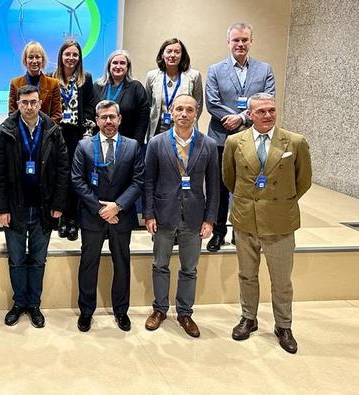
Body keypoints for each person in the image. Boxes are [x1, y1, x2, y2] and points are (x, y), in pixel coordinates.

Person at [222, 92, 312, 354]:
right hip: (245, 219)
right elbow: (230, 178)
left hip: (280, 221)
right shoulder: (234, 142)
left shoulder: (294, 142)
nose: (268, 115)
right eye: (261, 111)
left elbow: (302, 180)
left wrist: (280, 202)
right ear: (249, 115)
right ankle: (248, 318)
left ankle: (284, 326)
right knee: (247, 275)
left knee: (281, 280)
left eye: (271, 110)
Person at [143, 94, 219, 338]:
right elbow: (149, 182)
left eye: (189, 109)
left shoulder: (207, 145)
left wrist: (210, 219)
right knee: (160, 265)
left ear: (196, 113)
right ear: (171, 112)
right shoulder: (156, 143)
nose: (184, 114)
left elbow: (214, 185)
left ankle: (185, 313)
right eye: (179, 109)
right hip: (164, 214)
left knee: (189, 268)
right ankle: (160, 309)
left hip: (195, 216)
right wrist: (149, 214)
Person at [0, 84, 68, 328]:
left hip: (43, 207)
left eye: (33, 102)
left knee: (38, 260)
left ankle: (34, 304)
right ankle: (19, 303)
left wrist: (58, 203)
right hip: (15, 207)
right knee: (16, 260)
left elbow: (62, 170)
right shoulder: (5, 131)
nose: (28, 106)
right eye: (24, 102)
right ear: (17, 104)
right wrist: (1, 209)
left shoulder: (53, 130)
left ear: (39, 103)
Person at [71, 99, 144, 332]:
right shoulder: (83, 146)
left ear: (120, 119)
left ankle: (121, 311)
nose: (108, 121)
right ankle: (86, 312)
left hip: (121, 216)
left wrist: (118, 206)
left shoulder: (133, 146)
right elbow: (77, 181)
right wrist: (101, 209)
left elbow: (138, 181)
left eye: (112, 117)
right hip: (93, 216)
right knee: (88, 264)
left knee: (121, 263)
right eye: (103, 117)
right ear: (97, 120)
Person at [206, 22, 275, 252]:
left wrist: (242, 119)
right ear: (229, 43)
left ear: (251, 42)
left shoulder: (264, 70)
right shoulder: (215, 70)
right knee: (220, 187)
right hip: (221, 138)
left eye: (245, 40)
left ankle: (241, 232)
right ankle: (218, 232)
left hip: (252, 138)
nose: (240, 44)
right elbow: (212, 103)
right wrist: (235, 117)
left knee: (247, 187)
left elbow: (268, 101)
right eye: (236, 40)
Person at [51, 39, 96, 241]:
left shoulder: (85, 78)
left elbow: (89, 107)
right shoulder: (51, 78)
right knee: (58, 178)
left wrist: (87, 131)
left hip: (77, 136)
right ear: (61, 56)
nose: (71, 58)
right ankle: (59, 218)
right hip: (56, 135)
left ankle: (72, 221)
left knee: (75, 178)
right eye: (67, 54)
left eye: (75, 55)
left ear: (79, 58)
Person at [144, 38, 203, 142]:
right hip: (159, 127)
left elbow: (198, 105)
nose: (172, 55)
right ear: (162, 54)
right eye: (169, 51)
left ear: (182, 55)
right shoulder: (151, 76)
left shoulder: (194, 76)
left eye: (177, 52)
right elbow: (148, 104)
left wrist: (187, 120)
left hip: (184, 126)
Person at [93, 49, 149, 147]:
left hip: (128, 142)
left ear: (127, 67)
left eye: (122, 63)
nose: (118, 66)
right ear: (109, 66)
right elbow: (92, 115)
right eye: (115, 63)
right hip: (100, 142)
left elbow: (143, 119)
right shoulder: (97, 86)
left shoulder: (136, 87)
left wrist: (136, 144)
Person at [8, 41, 62, 123]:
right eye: (30, 57)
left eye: (37, 57)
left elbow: (57, 115)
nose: (34, 61)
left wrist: (44, 132)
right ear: (25, 60)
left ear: (43, 60)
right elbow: (12, 114)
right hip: (21, 133)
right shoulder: (15, 83)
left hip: (47, 133)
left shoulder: (53, 84)